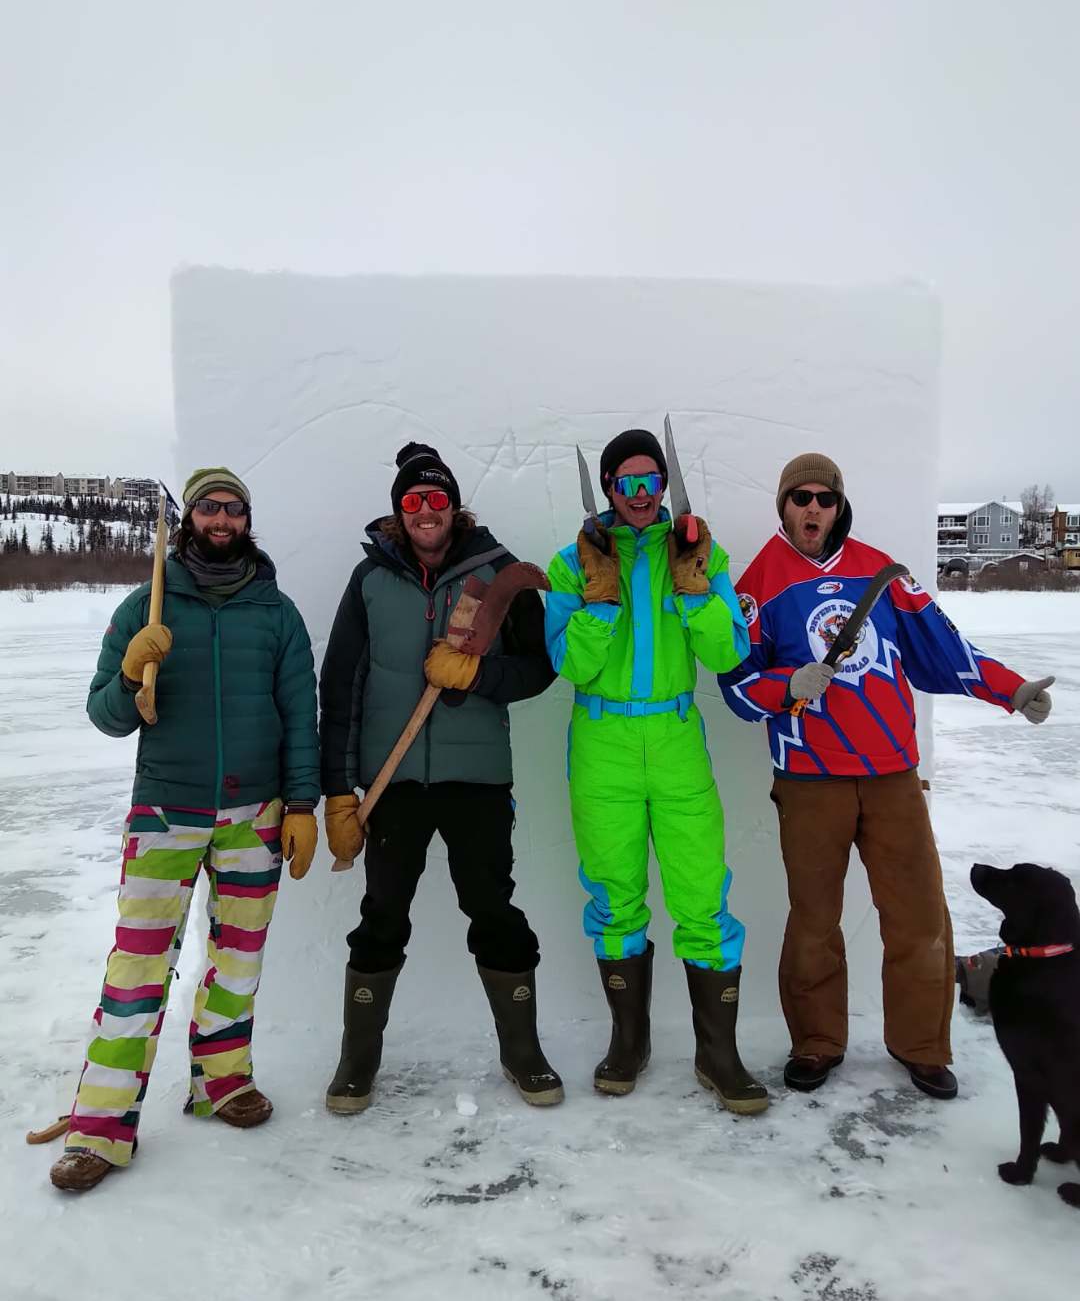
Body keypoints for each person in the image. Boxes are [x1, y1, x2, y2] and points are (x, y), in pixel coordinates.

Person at [719, 453, 1054, 1099]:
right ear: (784, 507)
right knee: (815, 921)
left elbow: (944, 650)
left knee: (919, 915)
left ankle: (922, 1046)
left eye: (823, 497)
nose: (812, 508)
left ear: (839, 506)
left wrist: (1010, 690)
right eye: (799, 498)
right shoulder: (758, 584)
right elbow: (735, 689)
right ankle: (817, 1042)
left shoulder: (883, 573)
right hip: (809, 781)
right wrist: (785, 683)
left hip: (892, 778)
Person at [50, 468, 319, 1192]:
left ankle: (222, 1081)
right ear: (190, 517)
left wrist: (301, 805)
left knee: (237, 963)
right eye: (209, 507)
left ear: (248, 519)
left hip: (254, 814)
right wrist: (134, 668)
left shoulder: (277, 614)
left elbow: (301, 717)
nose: (221, 519)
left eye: (234, 508)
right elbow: (104, 715)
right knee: (136, 970)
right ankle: (100, 1128)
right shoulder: (148, 604)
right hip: (166, 811)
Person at [319, 442, 562, 1111]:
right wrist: (339, 792)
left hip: (476, 780)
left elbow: (540, 669)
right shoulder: (370, 581)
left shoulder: (498, 573)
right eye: (413, 500)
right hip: (391, 784)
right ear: (399, 510)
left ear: (455, 507)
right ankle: (357, 1061)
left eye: (437, 498)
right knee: (380, 917)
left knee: (494, 912)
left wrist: (479, 675)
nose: (426, 511)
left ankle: (524, 1052)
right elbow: (340, 686)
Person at [544, 428, 768, 1114]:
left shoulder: (698, 548)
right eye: (626, 483)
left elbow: (729, 652)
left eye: (651, 482)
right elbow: (569, 665)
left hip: (675, 741)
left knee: (701, 893)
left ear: (665, 487)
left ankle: (718, 1054)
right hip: (603, 742)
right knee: (615, 896)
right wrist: (601, 600)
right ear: (608, 488)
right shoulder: (571, 561)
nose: (640, 496)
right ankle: (628, 1041)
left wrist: (697, 587)